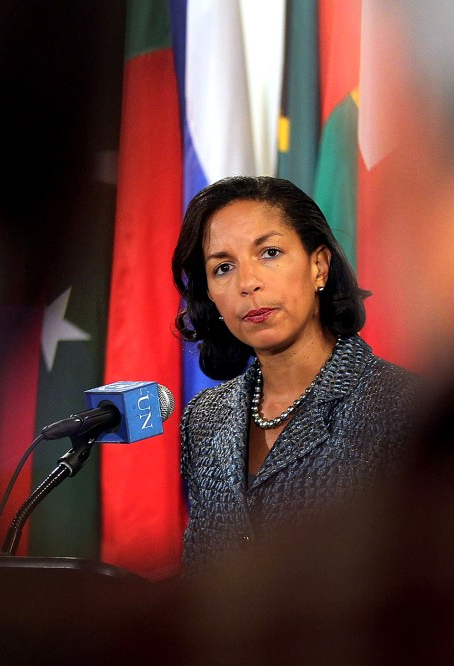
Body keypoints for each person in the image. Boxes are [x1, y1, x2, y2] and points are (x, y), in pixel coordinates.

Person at [171, 175, 418, 572]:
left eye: (269, 253)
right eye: (223, 267)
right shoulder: (204, 418)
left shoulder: (402, 408)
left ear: (319, 266)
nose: (248, 283)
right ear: (210, 295)